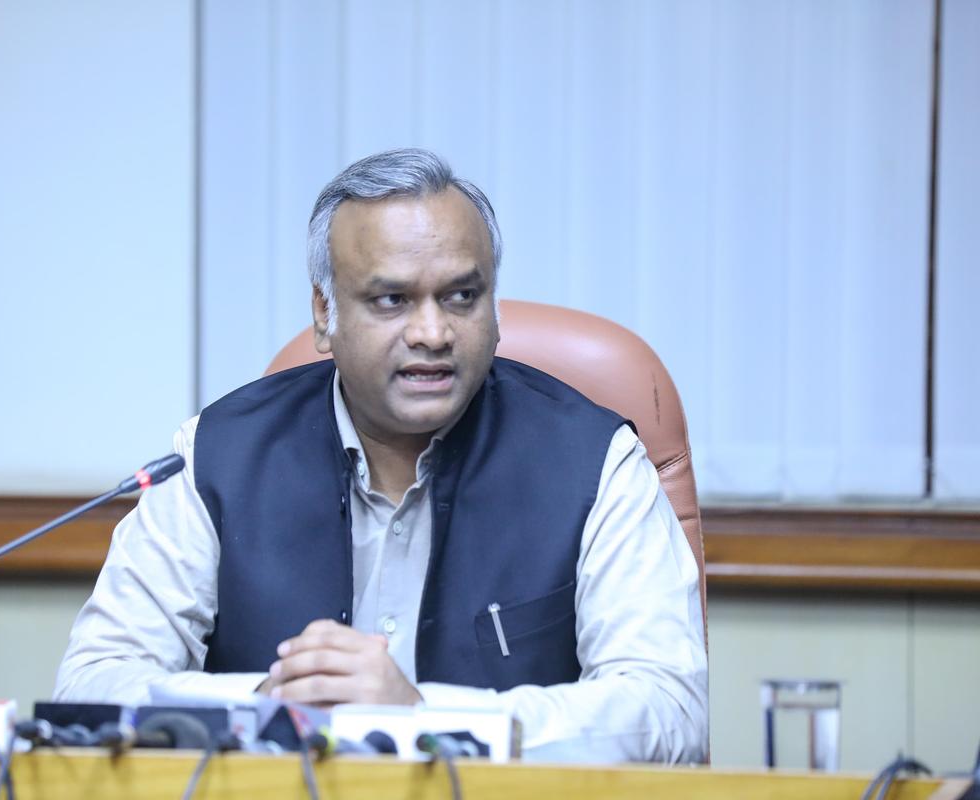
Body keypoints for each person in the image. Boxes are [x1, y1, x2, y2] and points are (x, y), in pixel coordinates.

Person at [55, 148, 708, 763]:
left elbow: (670, 711)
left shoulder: (596, 461)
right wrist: (258, 712)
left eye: (462, 296)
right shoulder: (218, 456)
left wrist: (426, 720)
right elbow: (90, 686)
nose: (432, 333)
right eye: (392, 300)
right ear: (324, 313)